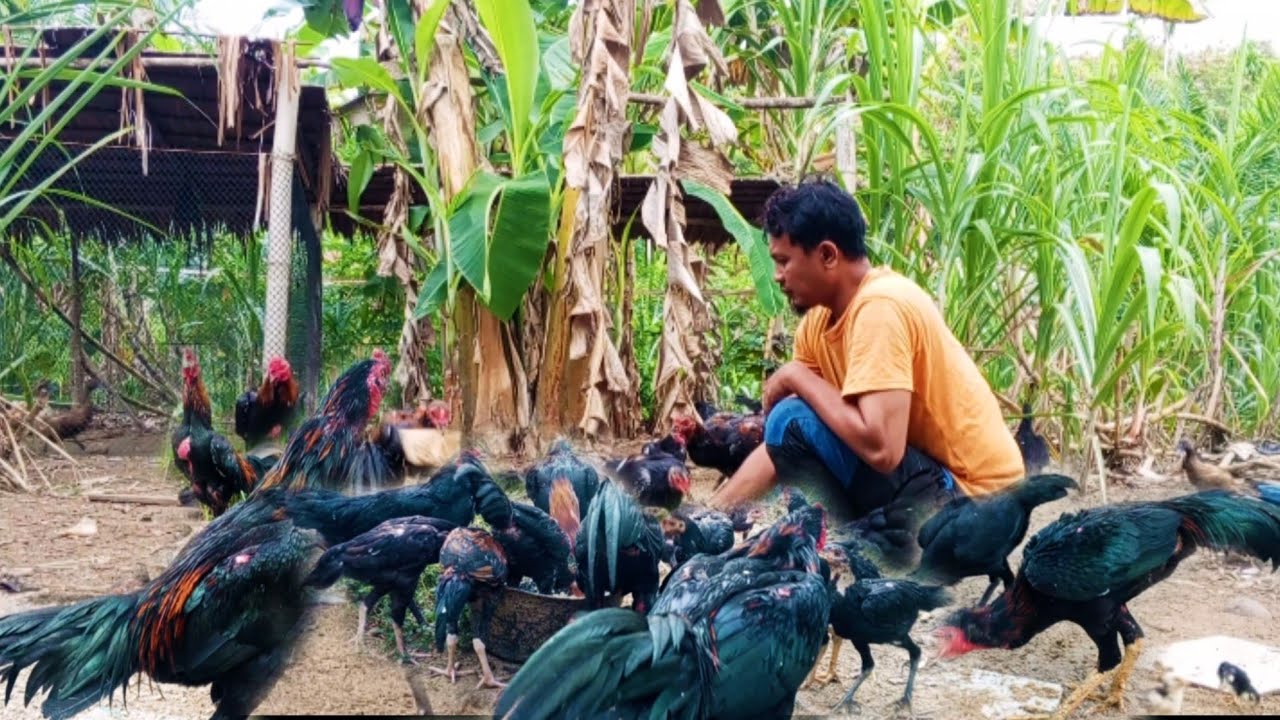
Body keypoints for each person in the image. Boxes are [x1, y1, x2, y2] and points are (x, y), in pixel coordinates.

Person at [709, 180, 1023, 563]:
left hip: (982, 506)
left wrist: (795, 377)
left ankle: (866, 549)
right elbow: (781, 445)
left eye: (783, 261)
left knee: (791, 415)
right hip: (934, 488)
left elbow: (883, 449)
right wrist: (711, 515)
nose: (777, 275)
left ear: (827, 255)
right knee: (791, 421)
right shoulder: (818, 323)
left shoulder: (881, 308)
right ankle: (856, 544)